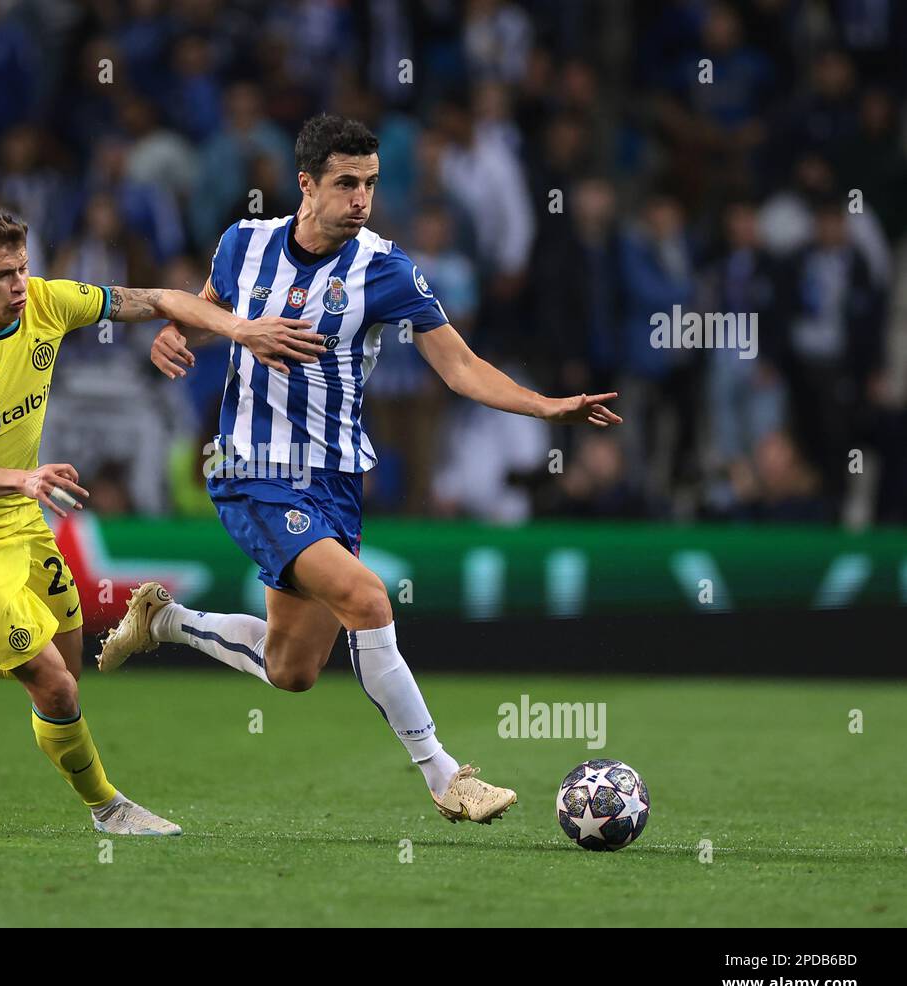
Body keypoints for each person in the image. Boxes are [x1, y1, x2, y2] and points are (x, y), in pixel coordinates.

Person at [97, 114, 621, 825]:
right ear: (306, 184)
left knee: (292, 669)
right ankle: (445, 777)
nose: (361, 200)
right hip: (251, 469)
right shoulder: (242, 244)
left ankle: (165, 622)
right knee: (369, 601)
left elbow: (461, 368)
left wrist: (545, 407)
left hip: (335, 481)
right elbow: (207, 305)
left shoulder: (385, 268)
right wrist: (173, 331)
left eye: (370, 184)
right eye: (346, 184)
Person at [0, 204, 313, 836]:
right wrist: (24, 478)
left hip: (20, 522)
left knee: (62, 669)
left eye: (22, 269)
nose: (18, 287)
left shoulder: (47, 303)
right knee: (55, 688)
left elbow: (154, 297)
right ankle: (108, 808)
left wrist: (240, 330)